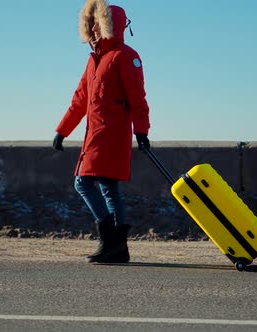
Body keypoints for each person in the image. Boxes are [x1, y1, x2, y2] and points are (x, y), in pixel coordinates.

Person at [53, 0, 151, 263]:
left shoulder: (125, 56)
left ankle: (111, 239)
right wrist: (62, 131)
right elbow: (80, 100)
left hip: (113, 134)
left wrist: (141, 131)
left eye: (96, 22)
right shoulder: (94, 60)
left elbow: (138, 99)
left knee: (85, 183)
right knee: (107, 187)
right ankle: (116, 247)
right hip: (95, 135)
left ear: (109, 24)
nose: (92, 27)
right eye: (90, 22)